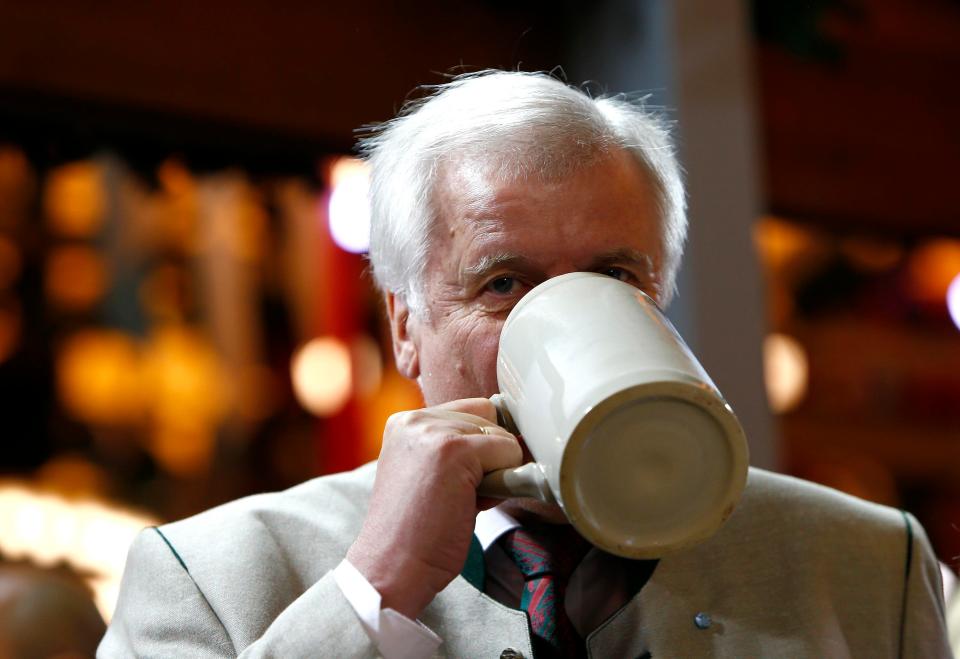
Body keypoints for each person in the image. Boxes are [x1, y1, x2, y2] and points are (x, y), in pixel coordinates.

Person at [99, 70, 951, 658]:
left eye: (615, 278)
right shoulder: (208, 578)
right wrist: (376, 589)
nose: (570, 318)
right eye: (504, 282)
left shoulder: (869, 564)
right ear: (405, 325)